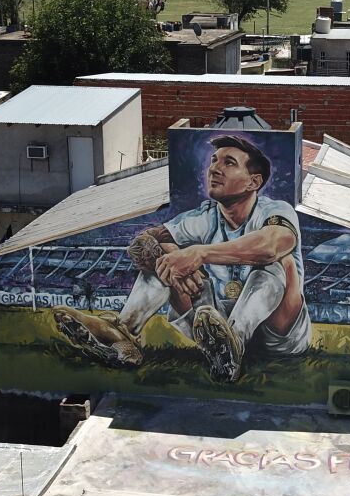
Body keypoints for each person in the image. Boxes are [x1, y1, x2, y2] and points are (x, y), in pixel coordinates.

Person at [51, 134, 310, 382]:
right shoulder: (203, 216)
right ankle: (122, 332)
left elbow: (273, 244)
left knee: (277, 263)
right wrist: (174, 259)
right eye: (213, 161)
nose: (214, 169)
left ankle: (234, 342)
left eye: (228, 163)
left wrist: (198, 254)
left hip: (278, 336)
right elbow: (143, 242)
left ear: (253, 182)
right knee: (163, 257)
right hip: (211, 326)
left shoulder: (275, 210)